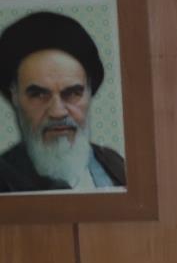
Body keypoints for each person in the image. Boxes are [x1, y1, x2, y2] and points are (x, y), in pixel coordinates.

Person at [0, 11, 125, 192]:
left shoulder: (113, 165)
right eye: (39, 95)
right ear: (15, 96)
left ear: (89, 93)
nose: (57, 112)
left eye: (72, 93)